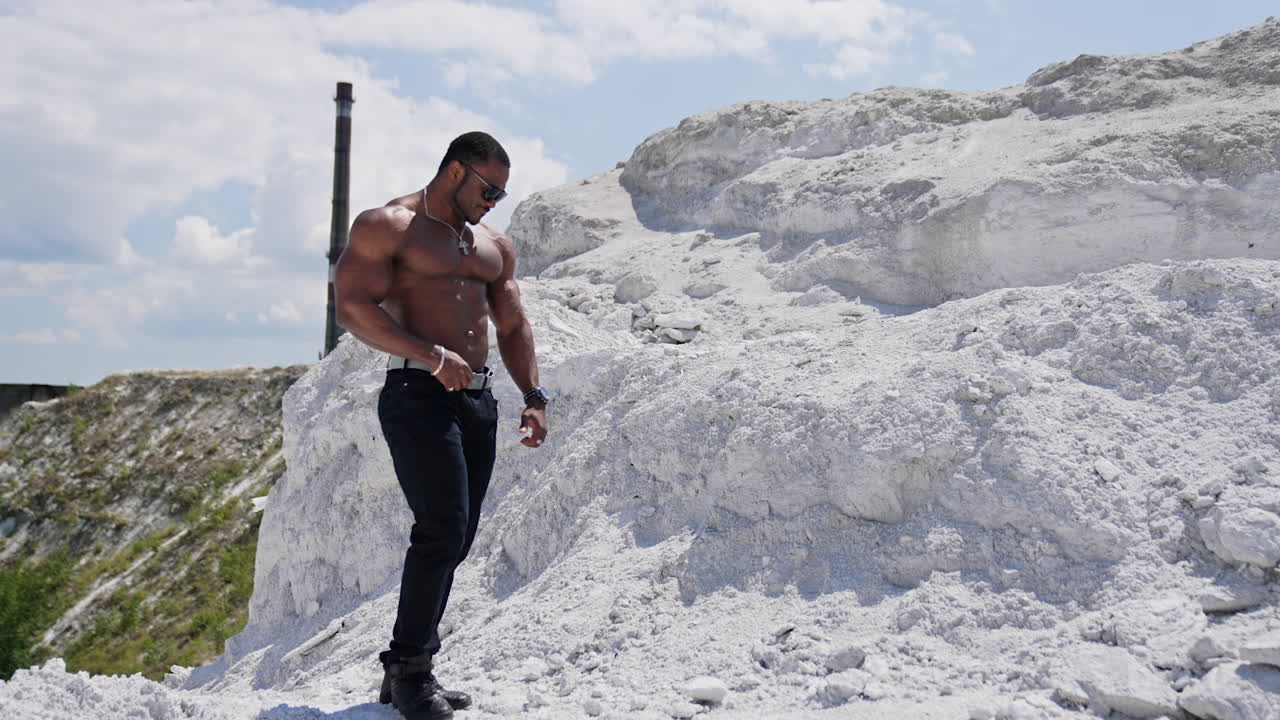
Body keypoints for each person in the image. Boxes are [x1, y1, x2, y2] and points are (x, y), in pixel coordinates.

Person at [334, 131, 549, 720]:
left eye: (502, 194)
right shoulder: (389, 226)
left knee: (457, 538)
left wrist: (533, 393)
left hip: (477, 402)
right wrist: (429, 354)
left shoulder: (491, 246)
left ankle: (413, 666)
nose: (493, 203)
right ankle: (409, 675)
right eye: (487, 189)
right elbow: (352, 308)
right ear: (456, 171)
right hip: (415, 392)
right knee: (441, 528)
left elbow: (511, 324)